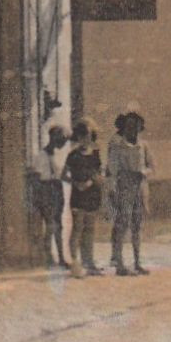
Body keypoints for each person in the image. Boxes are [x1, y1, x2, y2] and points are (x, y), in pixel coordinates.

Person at [106, 112, 155, 275]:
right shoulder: (118, 146)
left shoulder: (144, 145)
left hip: (140, 187)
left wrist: (144, 172)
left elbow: (151, 166)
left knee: (137, 225)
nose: (132, 129)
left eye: (136, 126)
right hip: (124, 187)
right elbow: (112, 169)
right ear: (123, 127)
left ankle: (137, 261)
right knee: (122, 224)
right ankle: (119, 263)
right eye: (129, 126)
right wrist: (112, 189)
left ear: (141, 127)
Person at [63, 119, 103, 278]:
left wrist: (94, 180)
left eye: (87, 136)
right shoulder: (73, 155)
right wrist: (76, 184)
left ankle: (89, 263)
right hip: (79, 196)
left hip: (92, 194)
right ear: (78, 137)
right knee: (78, 229)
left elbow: (99, 173)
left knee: (90, 230)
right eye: (82, 136)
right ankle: (75, 263)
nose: (85, 139)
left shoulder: (95, 154)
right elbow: (63, 175)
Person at [34, 124, 71, 269]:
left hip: (57, 188)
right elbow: (37, 178)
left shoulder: (60, 155)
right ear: (53, 138)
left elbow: (62, 175)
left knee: (58, 225)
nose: (63, 143)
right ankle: (48, 257)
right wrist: (39, 198)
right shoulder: (41, 156)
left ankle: (61, 258)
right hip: (46, 189)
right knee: (50, 225)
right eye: (61, 139)